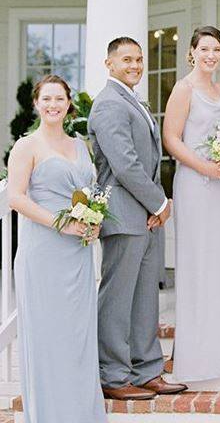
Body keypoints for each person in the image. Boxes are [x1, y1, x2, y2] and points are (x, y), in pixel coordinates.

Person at [89, 37, 186, 400]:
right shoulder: (109, 104)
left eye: (139, 59)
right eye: (127, 59)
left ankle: (148, 370)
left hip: (144, 215)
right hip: (124, 213)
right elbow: (125, 164)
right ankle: (113, 376)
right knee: (117, 298)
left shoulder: (132, 100)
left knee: (146, 296)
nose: (135, 65)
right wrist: (159, 202)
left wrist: (154, 208)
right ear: (109, 63)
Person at [8, 75, 107, 422]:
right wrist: (61, 223)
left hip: (77, 255)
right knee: (47, 339)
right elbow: (15, 197)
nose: (52, 105)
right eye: (46, 99)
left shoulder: (80, 144)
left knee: (77, 337)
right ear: (36, 104)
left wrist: (93, 222)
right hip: (44, 254)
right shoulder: (27, 146)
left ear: (68, 104)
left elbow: (90, 193)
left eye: (59, 99)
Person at [163, 26, 220, 381]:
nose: (210, 55)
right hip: (196, 183)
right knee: (198, 261)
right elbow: (171, 138)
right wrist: (205, 167)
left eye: (216, 49)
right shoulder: (184, 89)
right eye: (204, 49)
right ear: (192, 52)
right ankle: (195, 350)